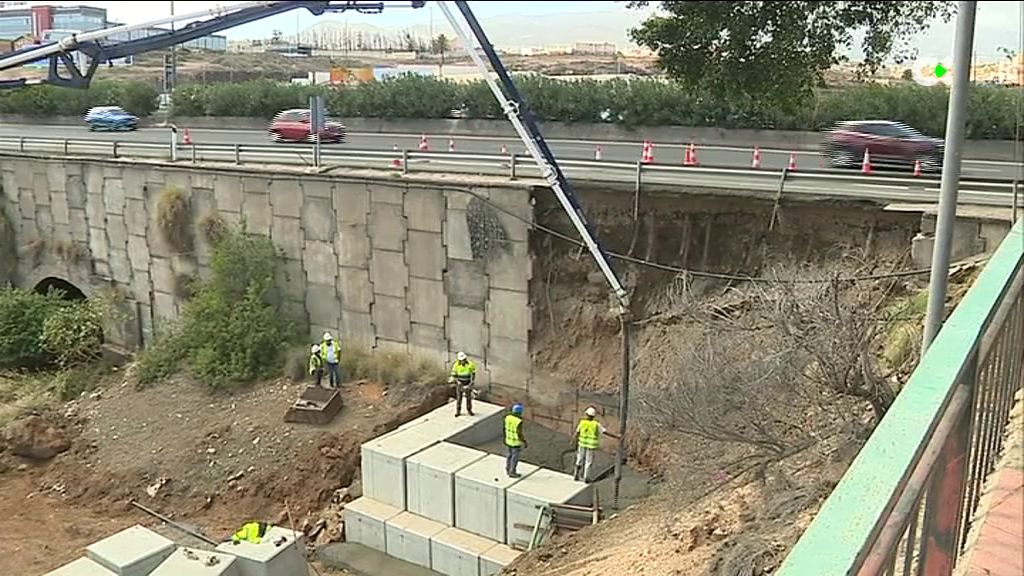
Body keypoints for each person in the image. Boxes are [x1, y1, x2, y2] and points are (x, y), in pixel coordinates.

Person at [572, 406, 614, 483]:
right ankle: (586, 477)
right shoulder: (596, 424)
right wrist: (616, 436)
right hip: (590, 445)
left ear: (586, 414)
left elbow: (577, 432)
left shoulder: (582, 422)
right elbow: (604, 432)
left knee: (579, 458)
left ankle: (576, 474)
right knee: (588, 461)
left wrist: (573, 439)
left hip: (582, 444)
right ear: (593, 416)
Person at [504, 403, 527, 478]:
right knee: (514, 458)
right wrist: (524, 441)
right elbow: (519, 433)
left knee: (509, 455)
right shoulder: (518, 421)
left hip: (508, 440)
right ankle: (512, 472)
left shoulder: (507, 417)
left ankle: (508, 468)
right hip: (515, 442)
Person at [449, 351, 476, 417]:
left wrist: (471, 383)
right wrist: (458, 382)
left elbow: (473, 374)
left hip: (468, 382)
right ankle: (458, 411)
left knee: (468, 398)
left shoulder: (470, 364)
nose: (463, 361)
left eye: (463, 360)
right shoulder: (456, 365)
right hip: (460, 383)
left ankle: (469, 410)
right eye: (461, 360)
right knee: (459, 398)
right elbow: (454, 375)